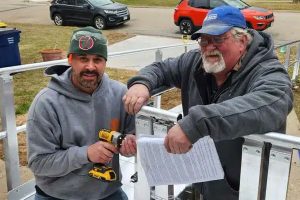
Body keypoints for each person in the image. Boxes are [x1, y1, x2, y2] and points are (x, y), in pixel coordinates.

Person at [123, 6, 293, 200]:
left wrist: (197, 124)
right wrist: (141, 83)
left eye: (218, 39)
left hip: (244, 190)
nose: (209, 47)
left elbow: (272, 102)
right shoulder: (195, 62)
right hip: (202, 181)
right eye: (204, 40)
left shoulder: (267, 71)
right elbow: (161, 69)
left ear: (242, 41)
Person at [26, 26, 136, 200]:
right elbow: (38, 163)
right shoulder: (46, 103)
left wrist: (130, 145)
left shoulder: (120, 94)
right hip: (56, 195)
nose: (90, 67)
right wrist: (86, 154)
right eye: (83, 59)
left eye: (98, 59)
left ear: (105, 62)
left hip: (107, 192)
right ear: (70, 59)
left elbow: (132, 135)